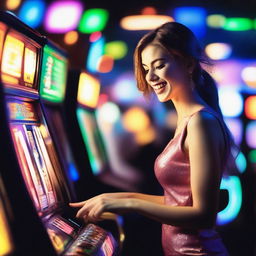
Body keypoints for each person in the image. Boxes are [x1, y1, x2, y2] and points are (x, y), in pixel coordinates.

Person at [70, 22, 237, 256]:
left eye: (159, 66)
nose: (150, 76)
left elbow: (204, 215)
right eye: (146, 68)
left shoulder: (201, 122)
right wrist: (117, 197)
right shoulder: (189, 120)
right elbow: (178, 201)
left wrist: (130, 204)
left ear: (188, 64)